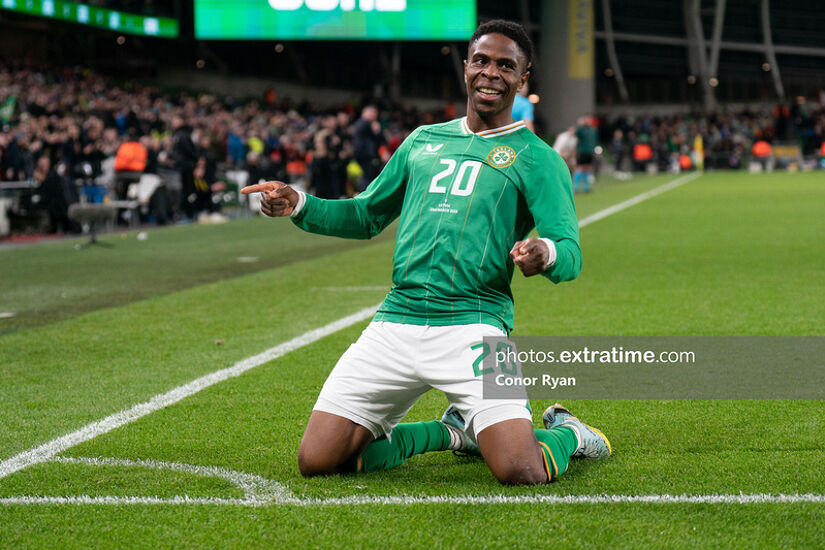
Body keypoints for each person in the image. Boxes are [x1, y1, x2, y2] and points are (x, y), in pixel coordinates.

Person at [242, 20, 610, 486]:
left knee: (521, 470)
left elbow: (570, 251)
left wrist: (546, 254)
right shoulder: (421, 141)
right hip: (396, 322)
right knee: (319, 461)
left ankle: (571, 433)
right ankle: (450, 432)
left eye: (505, 66)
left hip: (476, 323)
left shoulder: (538, 158)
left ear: (523, 79)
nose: (490, 73)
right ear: (466, 67)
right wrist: (300, 204)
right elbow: (366, 215)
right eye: (481, 61)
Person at [574, 115, 598, 192]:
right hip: (582, 151)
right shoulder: (581, 129)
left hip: (590, 152)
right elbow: (576, 134)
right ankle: (575, 187)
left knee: (587, 169)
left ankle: (586, 187)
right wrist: (579, 124)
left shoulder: (594, 130)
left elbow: (595, 141)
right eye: (586, 119)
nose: (588, 121)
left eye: (589, 119)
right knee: (580, 168)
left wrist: (596, 150)